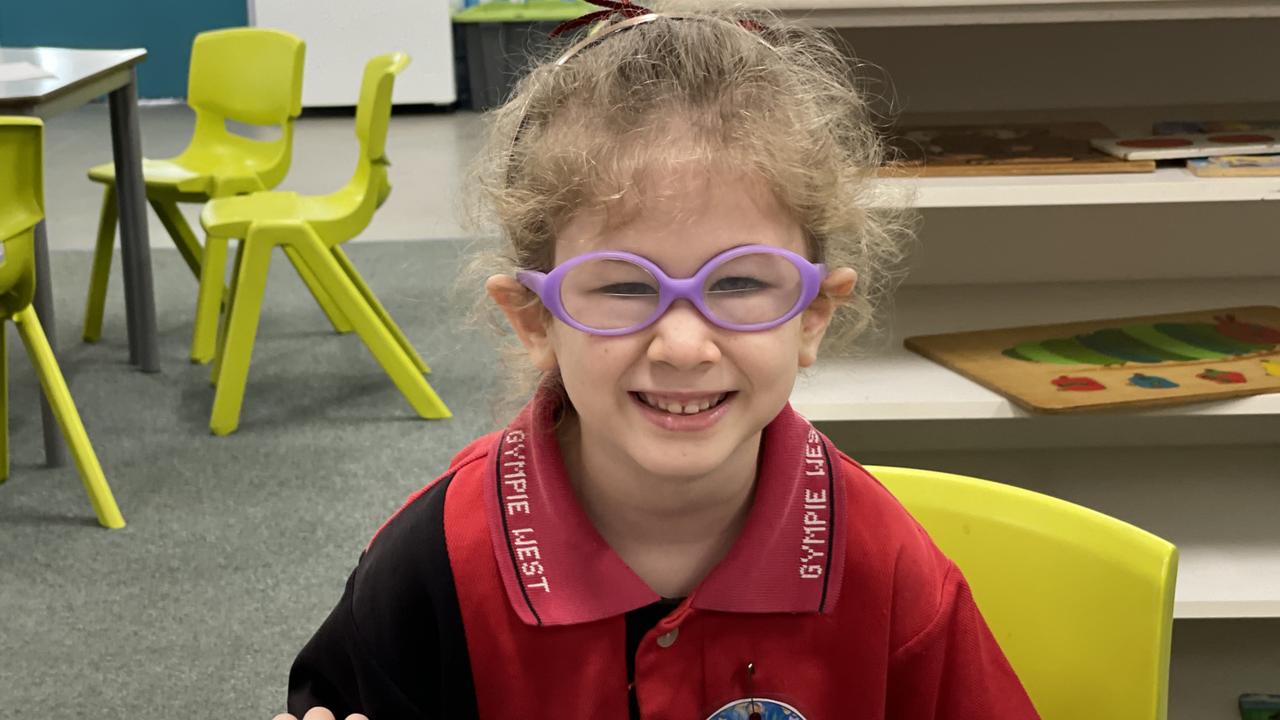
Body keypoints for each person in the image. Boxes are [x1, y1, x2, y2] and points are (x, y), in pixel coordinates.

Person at [275, 3, 1040, 719]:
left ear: (812, 316)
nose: (682, 346)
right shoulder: (432, 567)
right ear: (536, 318)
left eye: (739, 281)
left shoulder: (886, 566)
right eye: (622, 286)